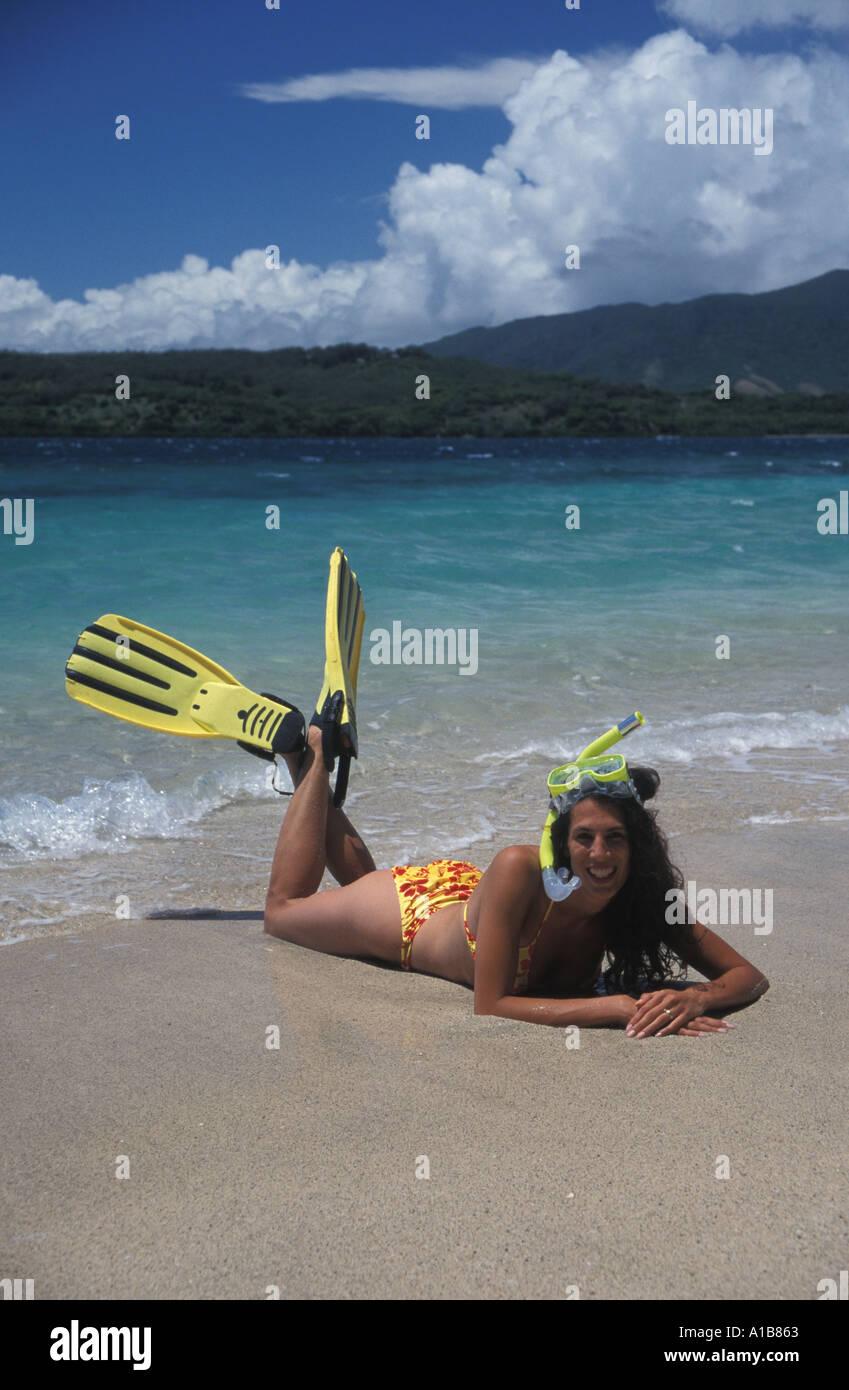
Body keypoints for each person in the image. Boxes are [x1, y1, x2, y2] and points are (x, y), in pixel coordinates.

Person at [263, 722, 769, 1037]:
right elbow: (491, 1005)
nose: (600, 854)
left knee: (357, 884)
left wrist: (697, 997)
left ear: (636, 844)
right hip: (414, 913)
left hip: (480, 902)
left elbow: (748, 976)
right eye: (584, 838)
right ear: (561, 842)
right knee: (283, 912)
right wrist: (615, 1007)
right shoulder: (517, 866)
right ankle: (310, 755)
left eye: (615, 838)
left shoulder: (639, 896)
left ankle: (315, 761)